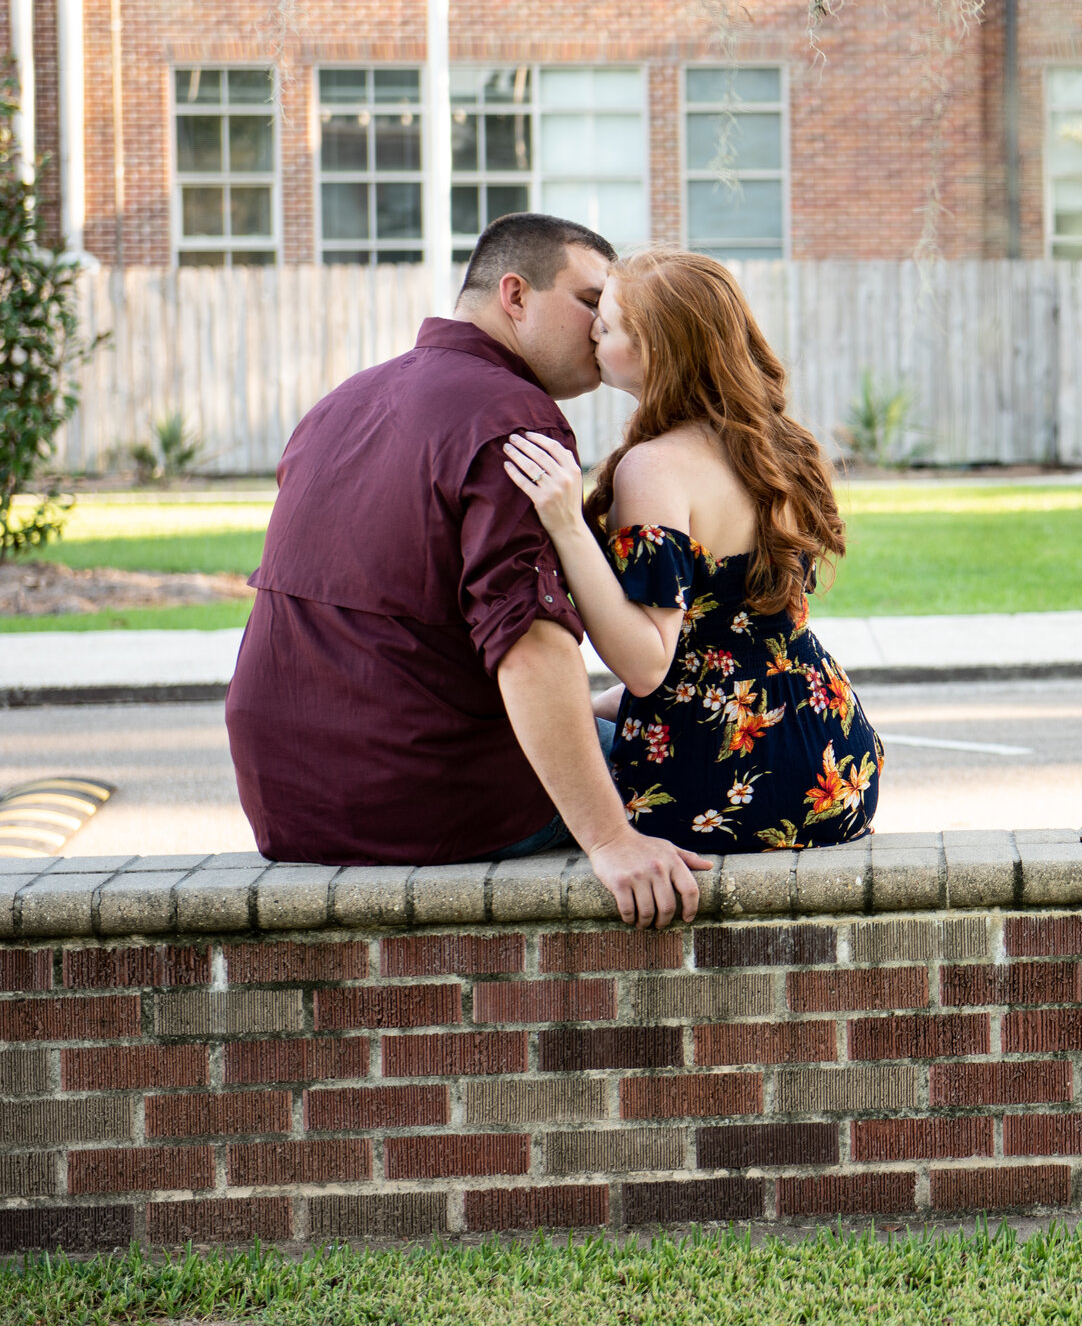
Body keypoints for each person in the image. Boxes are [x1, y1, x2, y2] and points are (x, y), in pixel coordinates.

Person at [227, 214, 709, 929]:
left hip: (286, 800)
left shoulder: (341, 403)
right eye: (589, 300)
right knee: (722, 765)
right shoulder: (512, 415)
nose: (602, 324)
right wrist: (610, 841)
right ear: (515, 295)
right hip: (429, 797)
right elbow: (529, 643)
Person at [500, 249, 880, 853]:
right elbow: (731, 640)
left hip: (721, 783)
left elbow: (650, 664)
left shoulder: (654, 469)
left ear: (655, 350)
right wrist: (589, 707)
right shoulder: (781, 445)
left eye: (609, 321)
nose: (593, 329)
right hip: (836, 763)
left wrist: (568, 525)